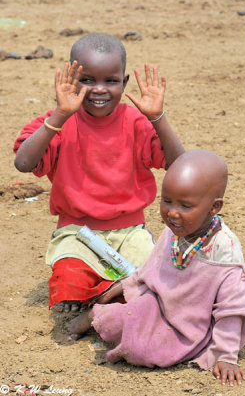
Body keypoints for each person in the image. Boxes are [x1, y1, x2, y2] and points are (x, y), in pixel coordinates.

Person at [13, 33, 184, 313]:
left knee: (157, 281)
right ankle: (105, 297)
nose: (99, 90)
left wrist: (157, 118)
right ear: (70, 79)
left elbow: (178, 165)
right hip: (75, 231)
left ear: (124, 82)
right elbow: (23, 163)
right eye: (87, 80)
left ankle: (105, 298)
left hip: (130, 232)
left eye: (111, 81)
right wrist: (59, 115)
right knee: (69, 281)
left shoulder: (137, 123)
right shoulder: (57, 122)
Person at [69, 150, 245, 387]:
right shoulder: (174, 231)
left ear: (214, 207)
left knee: (141, 350)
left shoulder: (224, 254)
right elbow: (151, 271)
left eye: (186, 205)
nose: (172, 213)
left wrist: (225, 356)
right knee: (116, 318)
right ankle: (95, 314)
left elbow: (232, 310)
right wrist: (126, 288)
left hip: (191, 326)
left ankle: (109, 320)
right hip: (157, 304)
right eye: (167, 201)